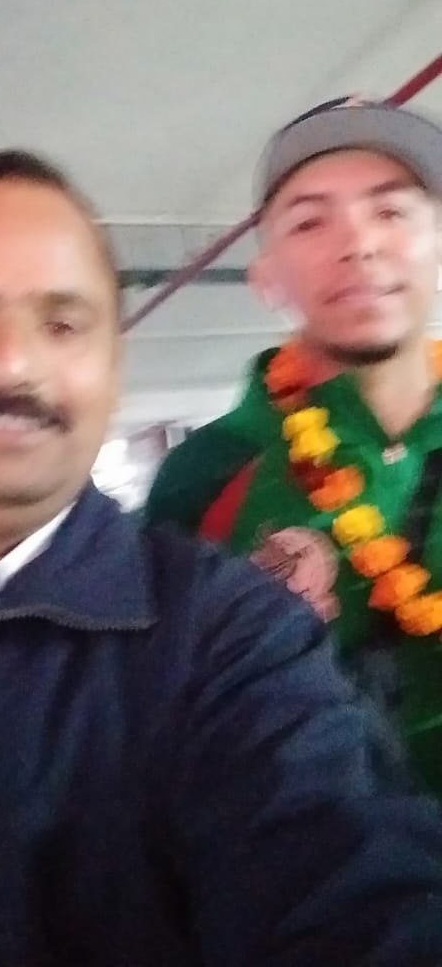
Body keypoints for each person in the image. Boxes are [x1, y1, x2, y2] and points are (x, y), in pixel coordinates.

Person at [0, 149, 442, 967]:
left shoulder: (230, 636)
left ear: (114, 373)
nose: (11, 362)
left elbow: (340, 875)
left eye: (62, 324)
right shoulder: (217, 475)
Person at [147, 97, 442, 795]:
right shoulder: (206, 473)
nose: (359, 244)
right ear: (267, 278)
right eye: (310, 221)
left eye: (390, 211)